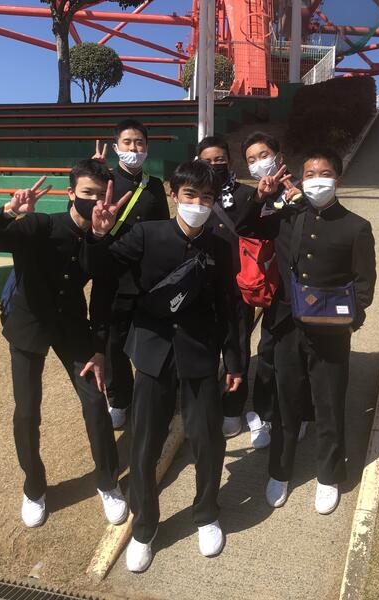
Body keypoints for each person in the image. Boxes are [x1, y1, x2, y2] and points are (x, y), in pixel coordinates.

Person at [86, 159, 245, 573]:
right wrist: (99, 235)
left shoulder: (220, 244)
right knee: (144, 446)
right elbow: (102, 271)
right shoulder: (145, 234)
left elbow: (230, 304)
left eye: (206, 198)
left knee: (207, 439)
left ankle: (206, 513)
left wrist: (234, 359)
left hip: (199, 353)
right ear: (173, 195)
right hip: (153, 352)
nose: (198, 204)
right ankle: (145, 527)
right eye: (190, 195)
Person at [0, 160, 131, 529]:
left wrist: (99, 347)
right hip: (29, 325)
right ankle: (34, 487)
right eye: (86, 193)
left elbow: (104, 294)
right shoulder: (40, 225)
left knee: (94, 401)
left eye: (100, 195)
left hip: (72, 326)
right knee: (26, 411)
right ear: (71, 193)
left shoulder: (102, 236)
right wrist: (8, 212)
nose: (94, 201)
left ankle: (108, 481)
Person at [237, 147, 377, 515]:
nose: (317, 180)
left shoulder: (356, 226)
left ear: (338, 180)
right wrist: (261, 197)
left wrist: (350, 320)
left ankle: (329, 474)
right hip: (287, 326)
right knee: (286, 401)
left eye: (324, 173)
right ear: (300, 179)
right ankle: (279, 471)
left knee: (329, 403)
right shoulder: (287, 216)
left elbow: (364, 283)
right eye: (310, 174)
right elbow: (246, 227)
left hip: (331, 333)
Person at [90, 119, 170, 430]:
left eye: (139, 143)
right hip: (112, 274)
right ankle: (119, 399)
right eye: (127, 142)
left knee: (151, 339)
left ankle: (152, 397)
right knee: (114, 342)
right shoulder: (103, 180)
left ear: (147, 147)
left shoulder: (154, 186)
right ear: (115, 147)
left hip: (146, 277)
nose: (134, 148)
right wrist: (93, 172)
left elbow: (163, 229)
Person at [195, 135, 274, 446]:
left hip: (239, 285)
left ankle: (232, 407)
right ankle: (204, 403)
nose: (215, 165)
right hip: (203, 285)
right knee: (203, 344)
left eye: (220, 159)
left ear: (229, 160)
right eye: (207, 160)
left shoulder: (247, 194)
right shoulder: (195, 196)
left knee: (237, 345)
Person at [240, 131, 313, 444]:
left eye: (263, 155)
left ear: (279, 156)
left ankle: (304, 413)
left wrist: (299, 201)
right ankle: (264, 414)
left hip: (308, 290)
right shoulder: (259, 195)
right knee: (267, 351)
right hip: (277, 291)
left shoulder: (304, 188)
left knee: (304, 354)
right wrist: (259, 198)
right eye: (251, 160)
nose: (259, 163)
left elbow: (320, 230)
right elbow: (245, 228)